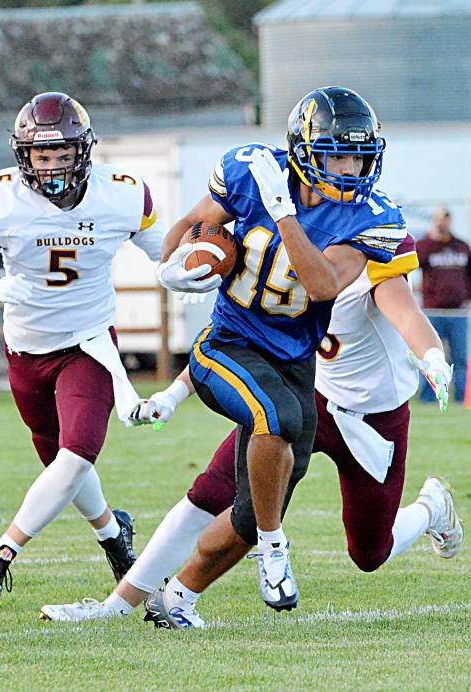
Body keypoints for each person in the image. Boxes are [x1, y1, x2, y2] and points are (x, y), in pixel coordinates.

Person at [40, 234, 464, 627]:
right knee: (211, 492)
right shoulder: (280, 245)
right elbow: (234, 340)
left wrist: (431, 355)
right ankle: (122, 604)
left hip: (372, 418)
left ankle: (431, 508)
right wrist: (173, 394)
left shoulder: (370, 240)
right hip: (304, 395)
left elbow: (405, 311)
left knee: (370, 552)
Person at [137, 86, 406, 613]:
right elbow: (192, 228)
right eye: (337, 156)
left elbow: (324, 283)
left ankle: (176, 599)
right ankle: (275, 547)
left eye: (359, 156)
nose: (351, 169)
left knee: (251, 507)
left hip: (293, 358)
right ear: (305, 151)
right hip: (228, 343)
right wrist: (173, 266)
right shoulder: (248, 169)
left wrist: (283, 214)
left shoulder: (375, 215)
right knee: (276, 418)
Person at [0, 92, 166, 604]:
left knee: (77, 454)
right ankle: (112, 535)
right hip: (25, 348)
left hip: (89, 341)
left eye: (62, 155)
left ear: (83, 153)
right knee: (62, 463)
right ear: (23, 156)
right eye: (42, 156)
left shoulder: (121, 193)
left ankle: (2, 553)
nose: (52, 166)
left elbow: (165, 254)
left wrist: (187, 272)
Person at [416, 206, 471, 404]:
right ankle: (428, 398)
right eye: (440, 219)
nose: (443, 223)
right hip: (433, 311)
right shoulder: (425, 245)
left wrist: (468, 298)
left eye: (446, 219)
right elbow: (416, 263)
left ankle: (462, 397)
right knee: (431, 356)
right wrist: (433, 238)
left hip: (458, 313)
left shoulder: (462, 246)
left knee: (460, 358)